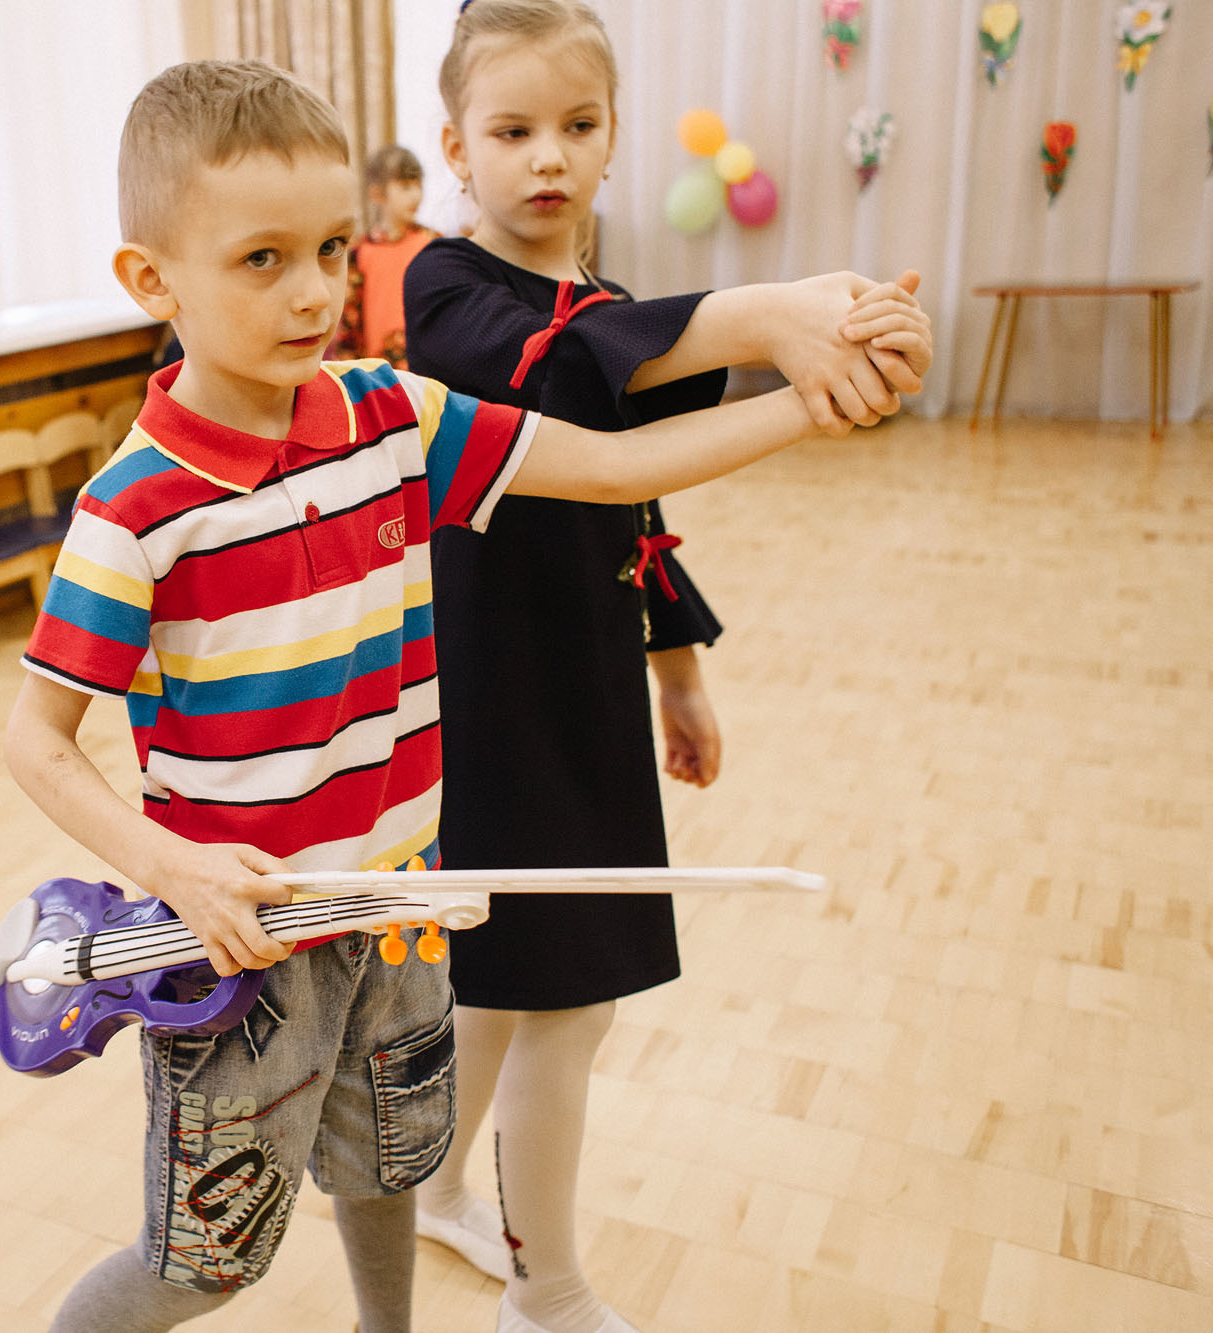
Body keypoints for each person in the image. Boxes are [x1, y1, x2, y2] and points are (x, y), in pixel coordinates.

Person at [3, 58, 922, 1333]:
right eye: (260, 261)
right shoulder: (131, 512)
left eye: (330, 247)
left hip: (402, 914)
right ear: (150, 281)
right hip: (244, 951)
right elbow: (35, 743)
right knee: (200, 1262)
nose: (316, 290)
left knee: (384, 1172)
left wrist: (803, 404)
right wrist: (178, 871)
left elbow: (612, 467)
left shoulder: (390, 415)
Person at [398, 5, 935, 1333]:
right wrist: (774, 316)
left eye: (577, 128)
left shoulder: (611, 310)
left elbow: (638, 504)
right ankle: (549, 1286)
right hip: (491, 709)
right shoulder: (442, 293)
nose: (546, 158)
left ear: (615, 138)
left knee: (506, 982)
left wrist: (680, 670)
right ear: (457, 146)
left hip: (589, 696)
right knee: (562, 997)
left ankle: (435, 1185)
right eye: (512, 131)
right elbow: (555, 381)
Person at [330, 145, 438, 367]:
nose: (416, 195)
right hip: (379, 371)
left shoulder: (433, 244)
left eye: (419, 186)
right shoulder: (359, 253)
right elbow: (351, 320)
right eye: (406, 186)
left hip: (427, 365)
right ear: (377, 193)